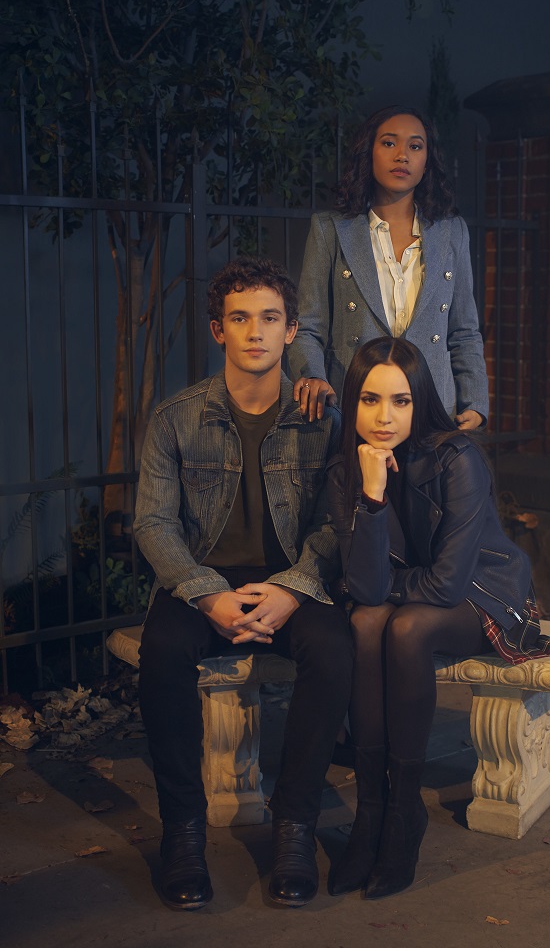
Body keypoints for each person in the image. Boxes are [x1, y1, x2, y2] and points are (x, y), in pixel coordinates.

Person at [134, 256, 352, 911]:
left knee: (333, 649)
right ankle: (183, 833)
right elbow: (152, 522)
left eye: (269, 318)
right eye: (239, 318)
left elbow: (334, 523)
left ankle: (295, 826)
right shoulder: (176, 418)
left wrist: (294, 588)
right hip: (204, 577)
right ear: (217, 330)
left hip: (291, 579)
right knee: (162, 651)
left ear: (291, 331)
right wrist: (205, 594)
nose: (255, 332)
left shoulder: (320, 418)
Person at [326, 336, 550, 900]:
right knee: (366, 623)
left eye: (400, 401)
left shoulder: (458, 459)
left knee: (405, 627)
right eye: (370, 400)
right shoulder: (347, 470)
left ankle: (404, 811)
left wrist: (384, 588)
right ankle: (372, 809)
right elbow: (365, 591)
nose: (384, 417)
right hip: (415, 594)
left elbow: (447, 584)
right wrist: (373, 497)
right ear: (353, 403)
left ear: (420, 401)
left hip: (485, 594)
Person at [288, 105, 489, 428]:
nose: (402, 156)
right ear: (369, 152)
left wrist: (475, 402)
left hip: (434, 409)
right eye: (389, 143)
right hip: (356, 404)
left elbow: (464, 332)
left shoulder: (452, 232)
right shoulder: (331, 229)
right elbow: (309, 326)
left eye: (415, 146)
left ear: (427, 161)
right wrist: (313, 376)